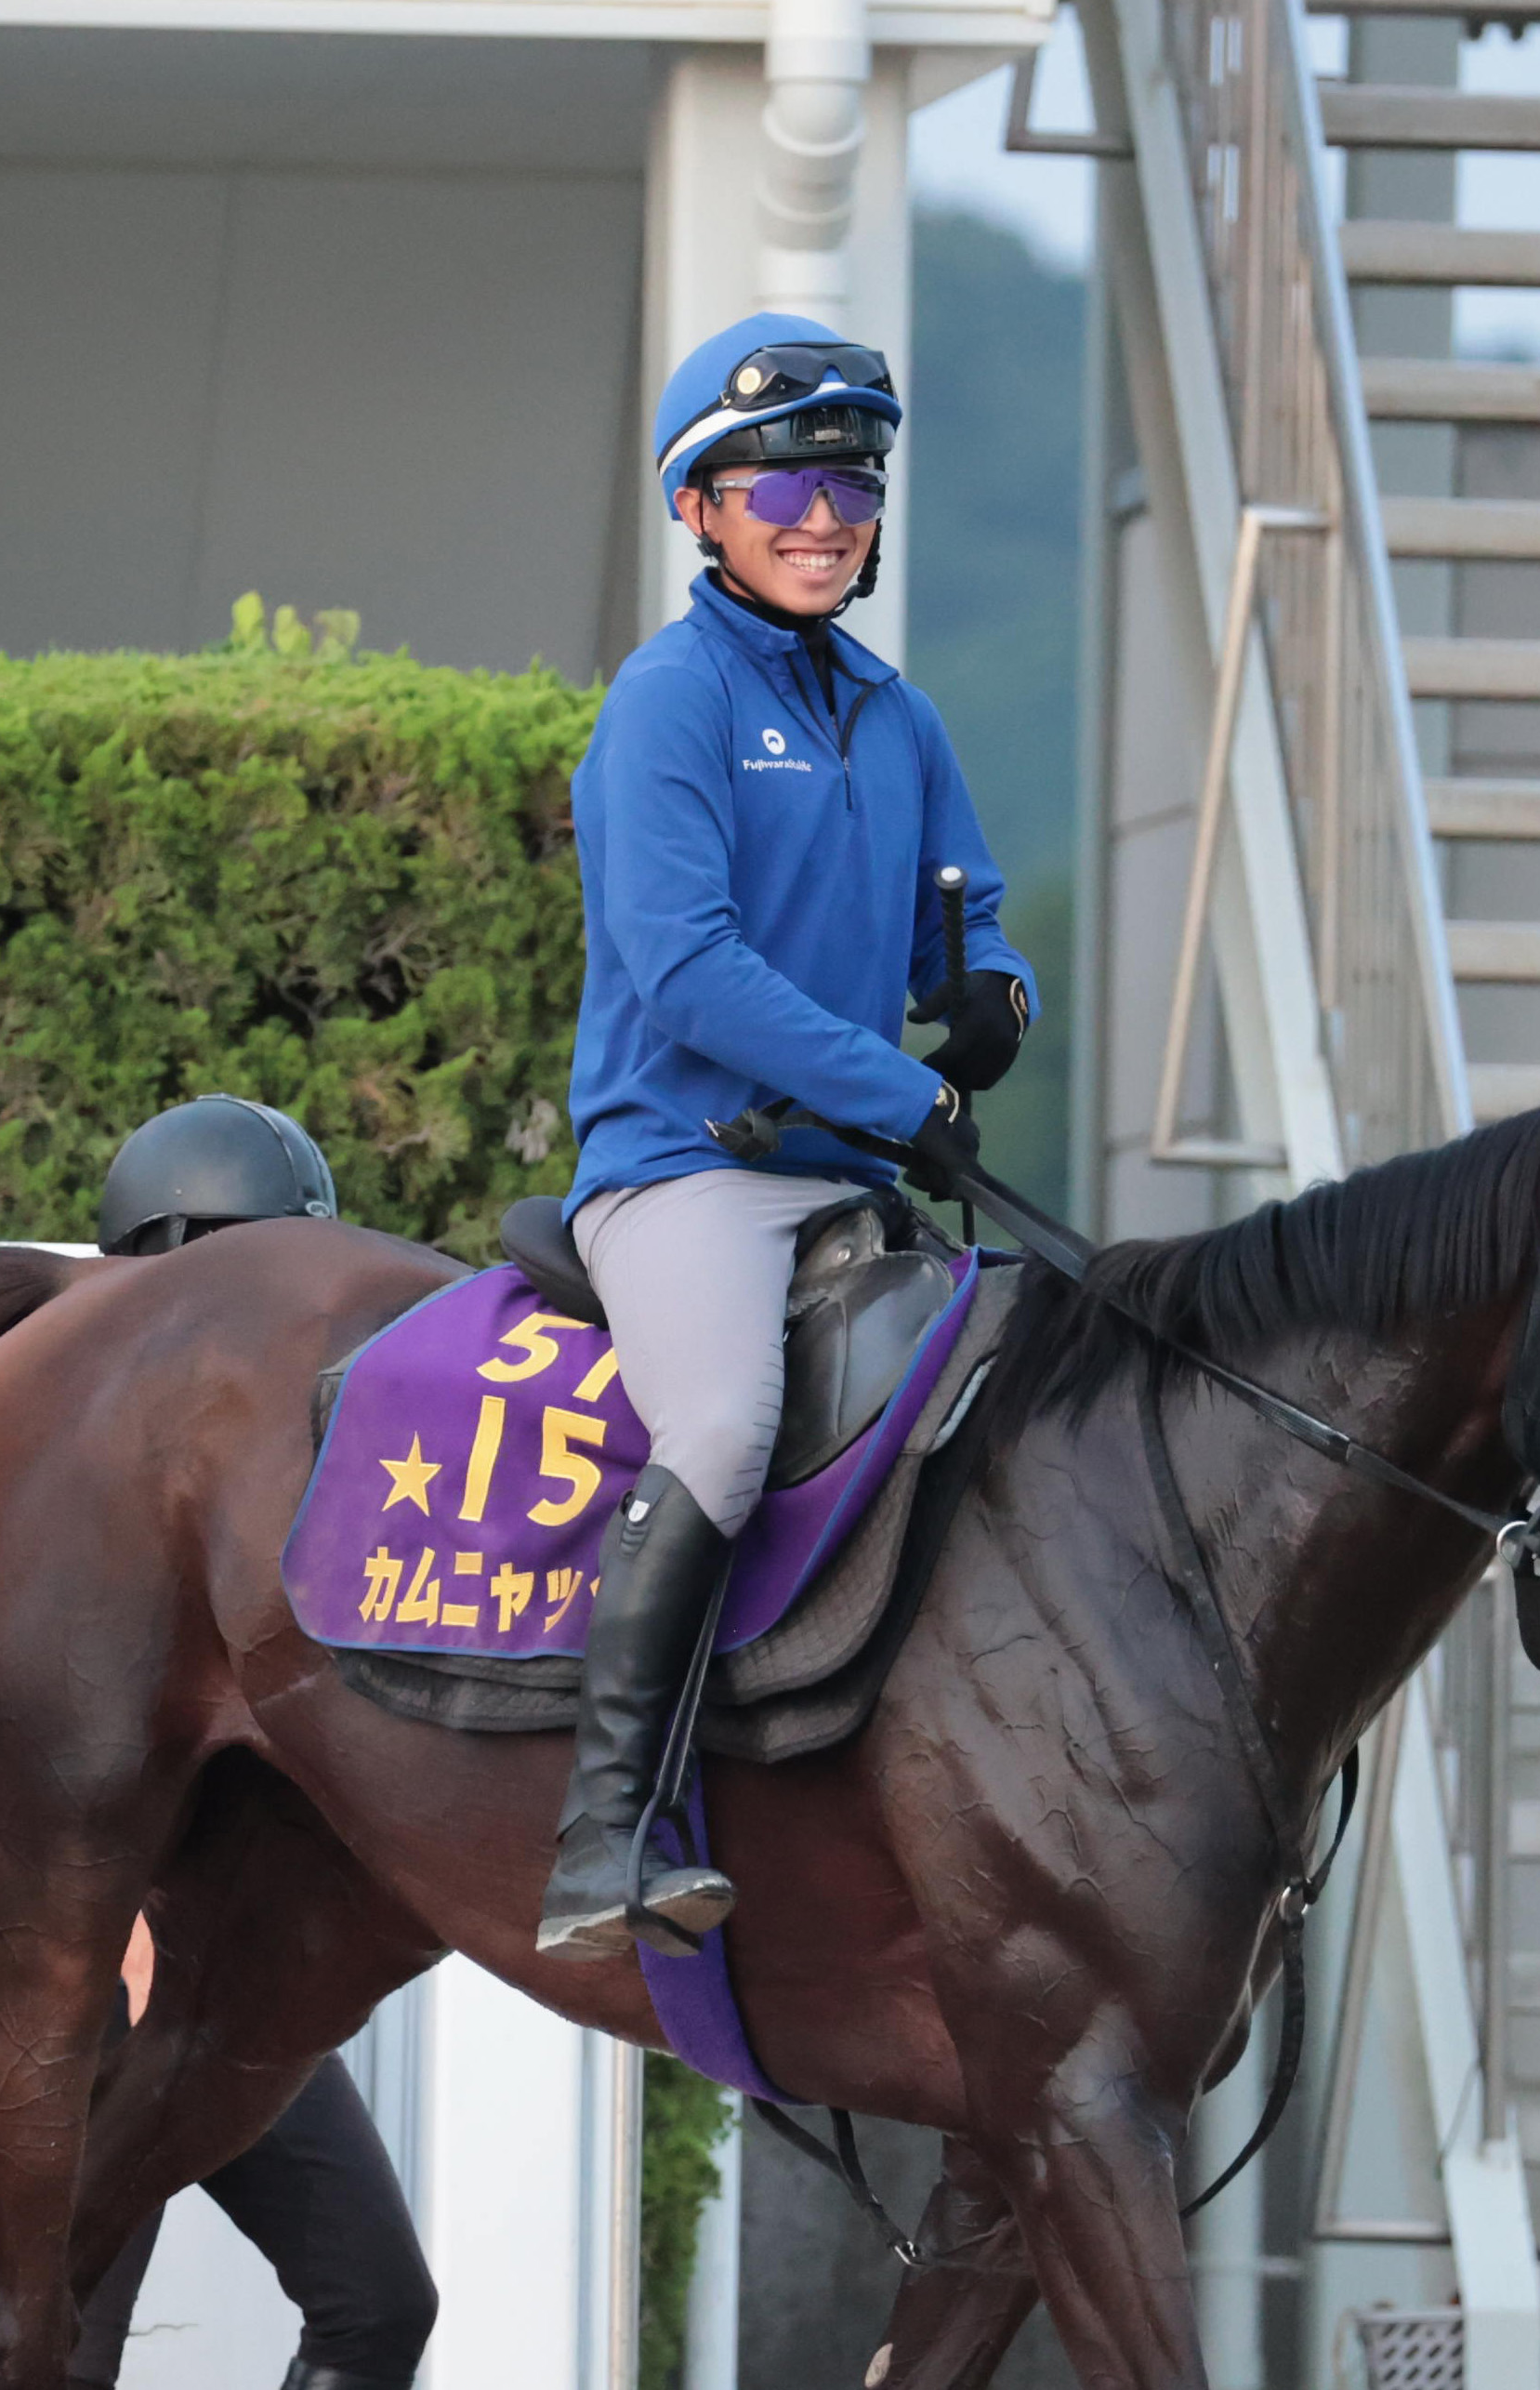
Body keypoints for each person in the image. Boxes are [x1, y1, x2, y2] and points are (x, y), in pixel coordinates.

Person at [0, 1097, 467, 2390]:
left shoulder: (273, 1473)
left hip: (230, 2013)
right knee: (41, 2348)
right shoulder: (55, 1470)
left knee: (376, 2295)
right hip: (86, 2016)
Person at [537, 315, 1036, 1959]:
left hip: (853, 1182)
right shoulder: (665, 703)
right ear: (701, 508)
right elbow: (688, 970)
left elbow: (964, 925)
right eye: (786, 484)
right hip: (687, 1170)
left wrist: (992, 1008)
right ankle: (603, 1835)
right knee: (734, 1427)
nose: (827, 514)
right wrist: (911, 1095)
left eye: (854, 481)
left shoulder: (899, 716)